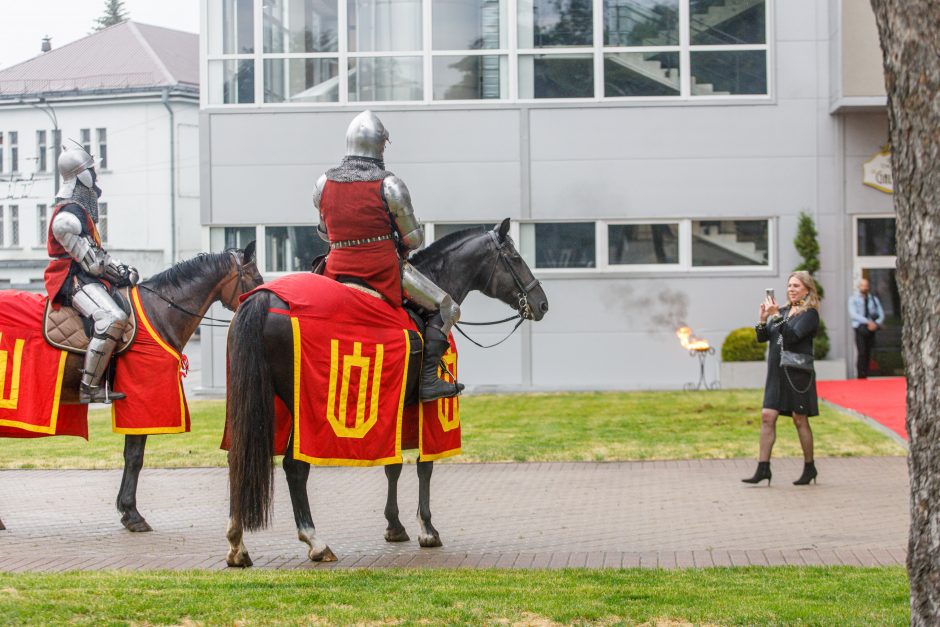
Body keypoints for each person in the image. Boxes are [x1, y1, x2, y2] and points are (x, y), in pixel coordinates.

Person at [312, 110, 463, 401]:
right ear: (380, 146)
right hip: (380, 270)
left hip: (336, 270)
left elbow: (323, 233)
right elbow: (414, 240)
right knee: (448, 308)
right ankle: (429, 381)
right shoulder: (390, 185)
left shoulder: (323, 183)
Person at [44, 145, 139, 403]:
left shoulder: (80, 209)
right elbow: (92, 263)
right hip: (70, 278)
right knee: (112, 317)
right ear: (81, 175)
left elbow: (97, 252)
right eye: (91, 171)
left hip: (84, 275)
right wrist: (119, 272)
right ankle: (89, 387)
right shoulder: (68, 218)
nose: (96, 177)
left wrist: (122, 268)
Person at [742, 271, 820, 486]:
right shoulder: (783, 311)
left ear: (807, 289)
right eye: (789, 285)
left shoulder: (810, 314)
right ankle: (763, 468)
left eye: (796, 286)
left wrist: (776, 316)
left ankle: (809, 466)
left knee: (799, 419)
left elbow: (793, 336)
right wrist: (762, 319)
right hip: (776, 372)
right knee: (767, 416)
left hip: (796, 374)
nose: (791, 289)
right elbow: (763, 337)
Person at [848, 278, 885, 379]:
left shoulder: (873, 299)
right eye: (862, 285)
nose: (864, 287)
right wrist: (867, 321)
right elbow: (853, 314)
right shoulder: (853, 299)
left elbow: (880, 314)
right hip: (860, 328)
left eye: (866, 285)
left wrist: (875, 323)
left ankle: (866, 373)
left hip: (871, 328)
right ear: (859, 287)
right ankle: (861, 375)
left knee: (868, 351)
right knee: (862, 352)